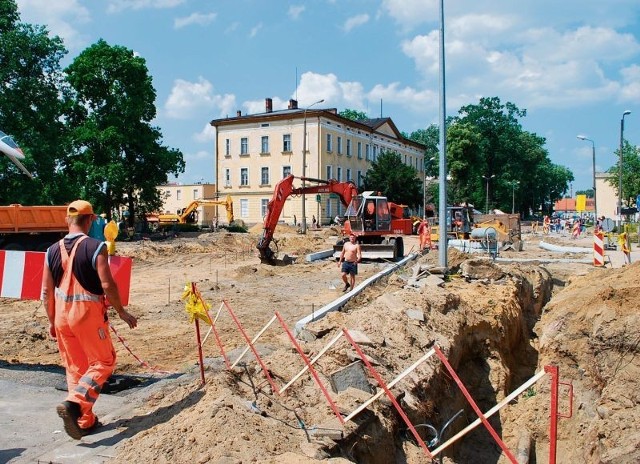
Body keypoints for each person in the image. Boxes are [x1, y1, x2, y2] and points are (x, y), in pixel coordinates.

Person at [41, 199, 138, 440]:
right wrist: (122, 312)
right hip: (86, 315)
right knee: (104, 362)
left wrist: (52, 321)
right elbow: (107, 284)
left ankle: (84, 421)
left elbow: (46, 293)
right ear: (91, 220)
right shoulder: (97, 247)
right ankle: (74, 403)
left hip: (62, 316)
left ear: (67, 220)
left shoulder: (51, 250)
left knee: (76, 368)